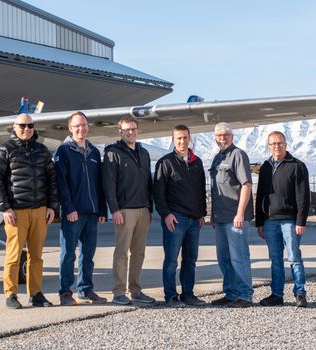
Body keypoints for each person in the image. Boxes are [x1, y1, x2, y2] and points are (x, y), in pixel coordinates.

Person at [0, 113, 59, 309]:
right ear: (14, 126)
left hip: (39, 211)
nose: (26, 129)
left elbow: (52, 180)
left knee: (36, 256)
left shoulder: (42, 150)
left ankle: (36, 294)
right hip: (16, 212)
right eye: (22, 125)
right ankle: (11, 294)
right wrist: (5, 207)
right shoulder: (5, 149)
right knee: (13, 255)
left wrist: (53, 206)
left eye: (30, 125)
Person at [54, 111, 108, 306]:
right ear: (70, 128)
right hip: (73, 213)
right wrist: (68, 208)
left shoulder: (94, 152)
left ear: (88, 127)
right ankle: (65, 293)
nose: (81, 129)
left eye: (83, 125)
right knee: (68, 254)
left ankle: (85, 290)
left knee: (88, 254)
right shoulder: (63, 151)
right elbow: (61, 183)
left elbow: (99, 183)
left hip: (92, 212)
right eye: (76, 126)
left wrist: (102, 209)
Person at [102, 117, 156, 306]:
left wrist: (149, 208)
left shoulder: (144, 152)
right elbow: (108, 184)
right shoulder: (113, 153)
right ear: (120, 132)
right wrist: (114, 209)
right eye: (127, 130)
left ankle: (136, 290)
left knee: (139, 253)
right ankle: (118, 292)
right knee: (122, 253)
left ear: (137, 131)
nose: (130, 132)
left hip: (143, 209)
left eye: (133, 129)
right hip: (124, 211)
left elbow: (148, 184)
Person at [255, 131, 310, 307]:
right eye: (273, 144)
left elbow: (303, 196)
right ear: (269, 146)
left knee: (294, 257)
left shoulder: (297, 166)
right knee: (275, 259)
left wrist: (301, 221)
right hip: (270, 221)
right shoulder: (264, 167)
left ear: (286, 145)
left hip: (290, 221)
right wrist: (260, 222)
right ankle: (277, 294)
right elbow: (261, 196)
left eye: (279, 143)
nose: (276, 147)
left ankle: (300, 293)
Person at [153, 124, 207, 306]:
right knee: (171, 260)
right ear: (173, 140)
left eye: (185, 137)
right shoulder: (165, 162)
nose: (182, 141)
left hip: (194, 220)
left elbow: (201, 190)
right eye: (179, 138)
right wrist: (166, 214)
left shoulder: (197, 162)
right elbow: (158, 193)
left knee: (190, 260)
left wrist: (202, 214)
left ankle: (188, 294)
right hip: (175, 219)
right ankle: (170, 296)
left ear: (189, 138)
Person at [209, 122, 254, 308]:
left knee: (239, 257)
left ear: (232, 136)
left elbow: (246, 185)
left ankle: (245, 295)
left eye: (226, 135)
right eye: (219, 135)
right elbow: (215, 188)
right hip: (220, 217)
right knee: (224, 258)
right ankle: (231, 292)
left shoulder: (238, 155)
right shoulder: (217, 159)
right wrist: (212, 214)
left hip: (235, 218)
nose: (222, 138)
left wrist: (240, 213)